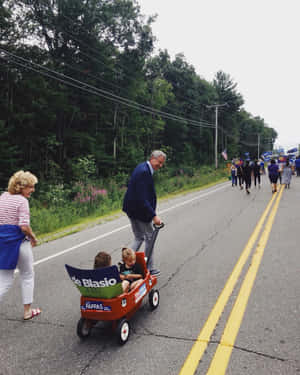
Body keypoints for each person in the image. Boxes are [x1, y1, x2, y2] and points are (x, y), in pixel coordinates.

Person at [0, 170, 41, 320]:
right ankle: (27, 311)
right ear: (20, 187)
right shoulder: (22, 201)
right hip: (19, 242)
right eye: (30, 187)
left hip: (3, 243)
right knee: (27, 275)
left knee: (3, 279)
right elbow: (24, 226)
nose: (33, 190)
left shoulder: (3, 197)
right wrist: (33, 237)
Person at [122, 150, 166, 276]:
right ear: (152, 158)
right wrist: (153, 215)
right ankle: (149, 268)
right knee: (150, 238)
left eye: (162, 163)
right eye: (159, 162)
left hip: (132, 209)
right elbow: (142, 198)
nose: (160, 165)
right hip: (140, 211)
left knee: (139, 237)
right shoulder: (144, 172)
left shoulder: (142, 167)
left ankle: (125, 265)